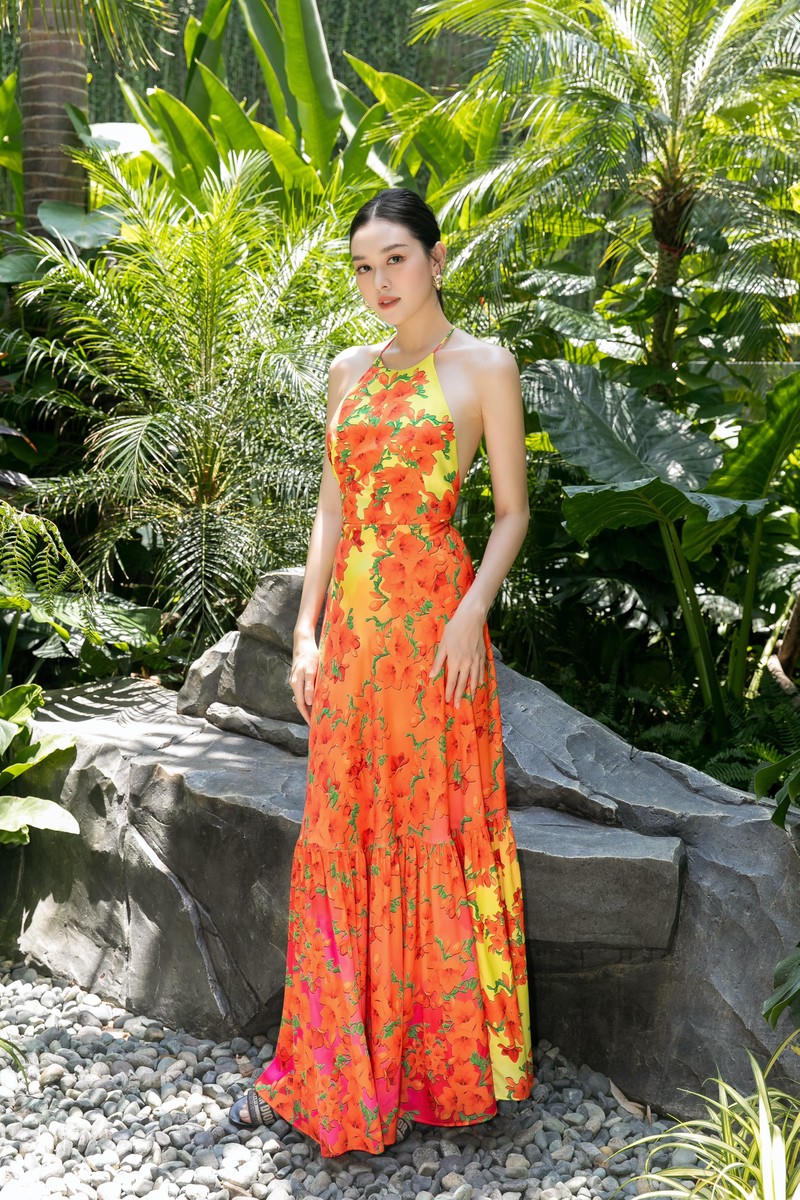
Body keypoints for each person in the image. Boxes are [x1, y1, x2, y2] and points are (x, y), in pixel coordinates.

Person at [228, 187, 535, 1156]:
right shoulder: (347, 370)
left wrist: (471, 612)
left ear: (436, 260)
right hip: (356, 640)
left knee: (432, 827)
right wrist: (306, 632)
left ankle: (439, 1068)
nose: (379, 283)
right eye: (364, 268)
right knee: (344, 832)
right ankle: (337, 1065)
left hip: (438, 634)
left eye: (395, 259)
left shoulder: (484, 366)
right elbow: (331, 508)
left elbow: (512, 513)